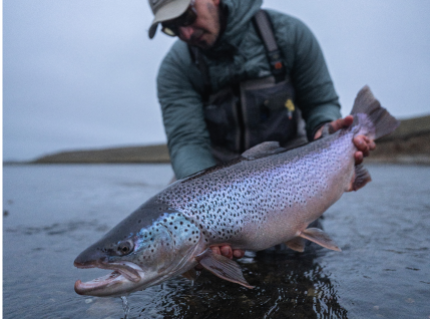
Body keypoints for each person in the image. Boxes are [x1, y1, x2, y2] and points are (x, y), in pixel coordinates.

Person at [148, 0, 375, 260]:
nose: (185, 33)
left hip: (289, 171)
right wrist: (204, 215)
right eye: (171, 27)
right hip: (210, 175)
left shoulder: (289, 34)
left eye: (187, 16)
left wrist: (327, 131)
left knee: (297, 263)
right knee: (186, 261)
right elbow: (188, 141)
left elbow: (320, 103)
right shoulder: (176, 67)